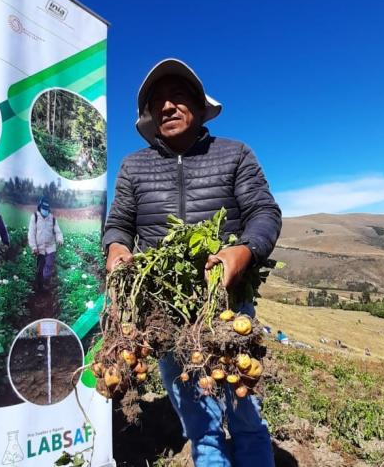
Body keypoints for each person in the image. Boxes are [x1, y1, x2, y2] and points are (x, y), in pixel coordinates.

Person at [103, 58, 281, 466]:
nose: (167, 106)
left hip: (226, 308)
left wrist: (243, 251)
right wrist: (117, 249)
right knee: (200, 427)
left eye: (178, 96)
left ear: (200, 108)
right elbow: (118, 225)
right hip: (164, 317)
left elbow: (264, 213)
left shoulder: (234, 154)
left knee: (247, 416)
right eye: (157, 102)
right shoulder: (134, 166)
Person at [28, 197, 64, 293]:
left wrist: (60, 239)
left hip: (50, 247)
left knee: (49, 265)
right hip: (39, 249)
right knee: (40, 269)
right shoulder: (35, 217)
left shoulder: (52, 218)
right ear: (40, 207)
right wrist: (34, 247)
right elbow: (31, 233)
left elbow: (57, 231)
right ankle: (39, 288)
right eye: (44, 209)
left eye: (47, 209)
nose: (45, 211)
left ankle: (46, 282)